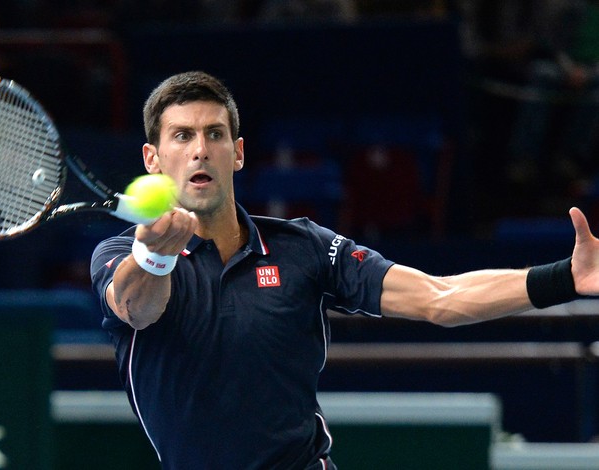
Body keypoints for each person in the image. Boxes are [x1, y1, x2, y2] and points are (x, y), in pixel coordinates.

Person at [90, 71, 599, 469]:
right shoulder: (120, 256)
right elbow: (137, 308)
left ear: (238, 152)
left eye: (214, 134)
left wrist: (566, 279)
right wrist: (154, 255)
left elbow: (439, 297)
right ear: (152, 158)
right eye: (182, 136)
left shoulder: (303, 248)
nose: (200, 148)